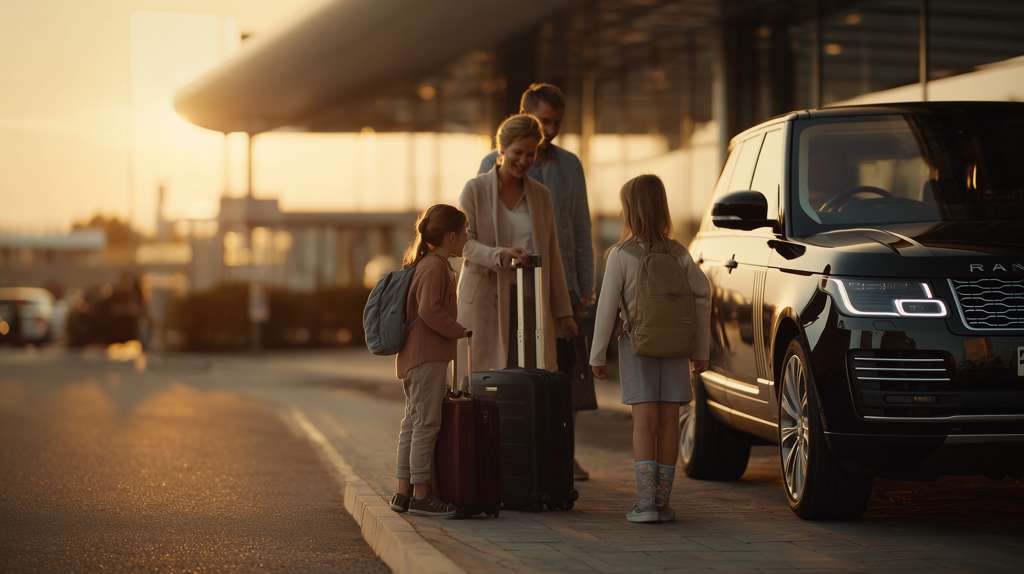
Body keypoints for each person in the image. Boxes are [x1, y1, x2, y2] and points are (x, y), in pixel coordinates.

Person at [478, 83, 596, 481]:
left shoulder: (569, 166)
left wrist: (582, 289)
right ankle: (510, 452)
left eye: (556, 122)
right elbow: (478, 231)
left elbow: (579, 228)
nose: (550, 130)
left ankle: (561, 454)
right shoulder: (489, 165)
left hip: (558, 286)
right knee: (509, 370)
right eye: (544, 121)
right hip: (506, 288)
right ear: (525, 115)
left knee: (560, 376)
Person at [589, 174, 711, 524]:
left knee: (644, 423)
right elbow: (702, 297)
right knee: (669, 421)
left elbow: (606, 308)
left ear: (629, 210)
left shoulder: (620, 255)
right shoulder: (679, 253)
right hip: (676, 347)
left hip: (636, 346)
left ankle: (646, 505)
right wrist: (700, 351)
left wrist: (597, 355)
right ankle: (663, 501)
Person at [458, 113, 577, 378]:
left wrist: (563, 313)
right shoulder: (474, 190)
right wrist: (499, 255)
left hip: (529, 299)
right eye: (518, 152)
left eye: (531, 154)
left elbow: (552, 254)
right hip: (484, 300)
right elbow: (464, 244)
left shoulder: (541, 196)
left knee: (528, 377)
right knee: (485, 381)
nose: (524, 161)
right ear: (501, 149)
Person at [391, 204, 471, 517]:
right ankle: (422, 495)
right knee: (426, 424)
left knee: (412, 423)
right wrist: (458, 330)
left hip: (415, 357)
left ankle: (403, 493)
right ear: (450, 236)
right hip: (428, 357)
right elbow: (428, 310)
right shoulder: (436, 267)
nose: (466, 238)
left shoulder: (424, 264)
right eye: (464, 233)